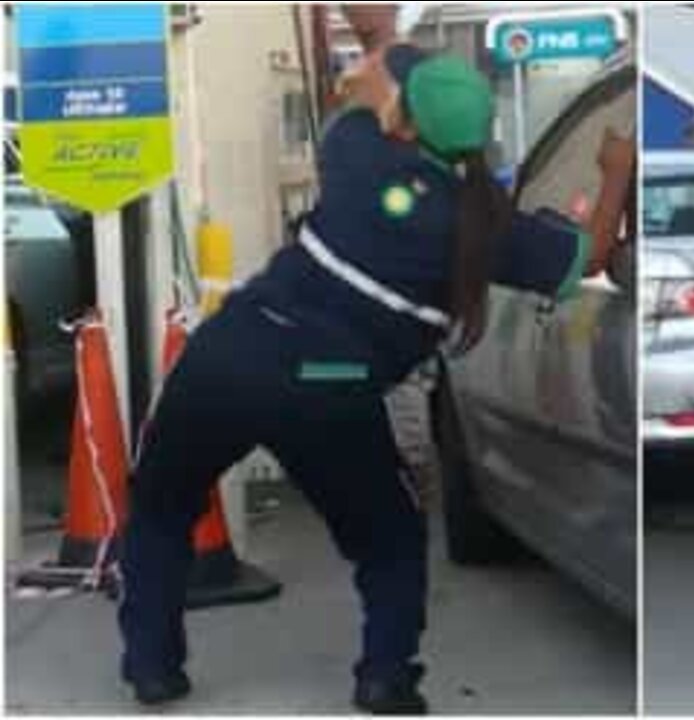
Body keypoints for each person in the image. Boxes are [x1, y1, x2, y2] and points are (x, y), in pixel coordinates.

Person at [117, 42, 635, 714]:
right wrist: (615, 171)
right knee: (388, 540)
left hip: (231, 352)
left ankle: (152, 668)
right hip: (330, 380)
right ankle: (385, 678)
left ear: (407, 122)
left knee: (159, 504)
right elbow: (591, 252)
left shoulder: (358, 154)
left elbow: (364, 86)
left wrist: (385, 46)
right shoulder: (485, 224)